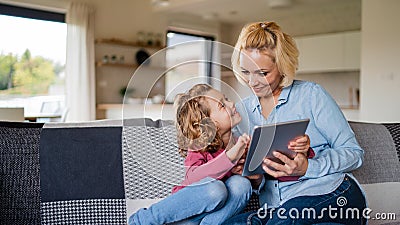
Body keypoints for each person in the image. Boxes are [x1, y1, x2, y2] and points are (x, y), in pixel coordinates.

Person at [223, 21, 367, 225]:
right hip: (276, 207)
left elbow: (354, 153)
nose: (252, 82)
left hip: (331, 193)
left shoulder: (311, 95)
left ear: (282, 67)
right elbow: (256, 179)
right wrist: (251, 175)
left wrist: (308, 168)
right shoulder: (242, 113)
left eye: (262, 73)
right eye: (246, 72)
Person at [129, 84, 311, 225]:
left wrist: (254, 178)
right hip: (185, 213)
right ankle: (144, 219)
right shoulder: (200, 146)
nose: (232, 104)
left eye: (227, 99)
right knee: (216, 189)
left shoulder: (240, 141)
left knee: (242, 184)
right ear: (209, 123)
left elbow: (260, 179)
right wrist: (230, 158)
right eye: (222, 105)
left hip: (208, 219)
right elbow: (193, 177)